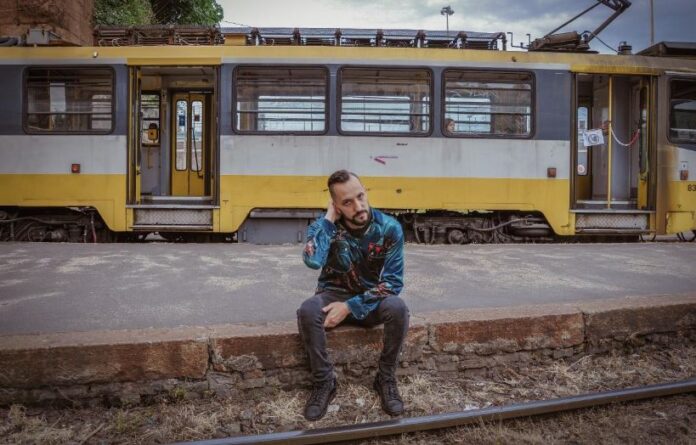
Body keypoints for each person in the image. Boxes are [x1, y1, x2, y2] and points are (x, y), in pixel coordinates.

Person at [297, 169, 409, 421]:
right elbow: (313, 261)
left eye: (360, 196)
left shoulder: (389, 228)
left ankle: (385, 379)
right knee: (307, 310)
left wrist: (348, 306)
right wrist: (328, 218)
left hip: (370, 300)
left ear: (366, 192)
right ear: (336, 205)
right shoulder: (324, 227)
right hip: (331, 294)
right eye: (347, 202)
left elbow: (392, 283)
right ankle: (324, 383)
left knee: (398, 308)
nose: (358, 206)